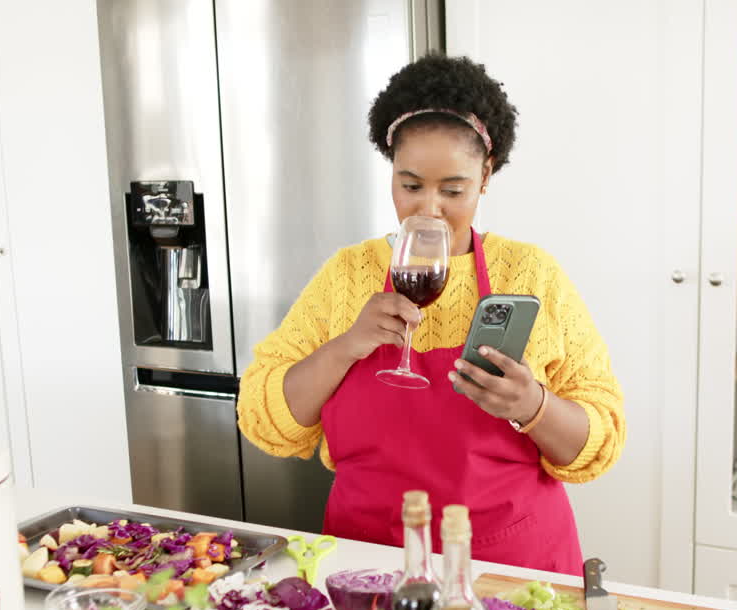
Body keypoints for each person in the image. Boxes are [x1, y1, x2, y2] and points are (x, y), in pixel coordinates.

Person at [237, 54, 625, 574]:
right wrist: (347, 345)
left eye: (453, 190)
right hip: (367, 562)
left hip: (509, 569)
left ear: (485, 176)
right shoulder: (345, 276)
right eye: (410, 185)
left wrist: (533, 405)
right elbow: (266, 419)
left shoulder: (532, 274)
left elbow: (599, 439)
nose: (428, 210)